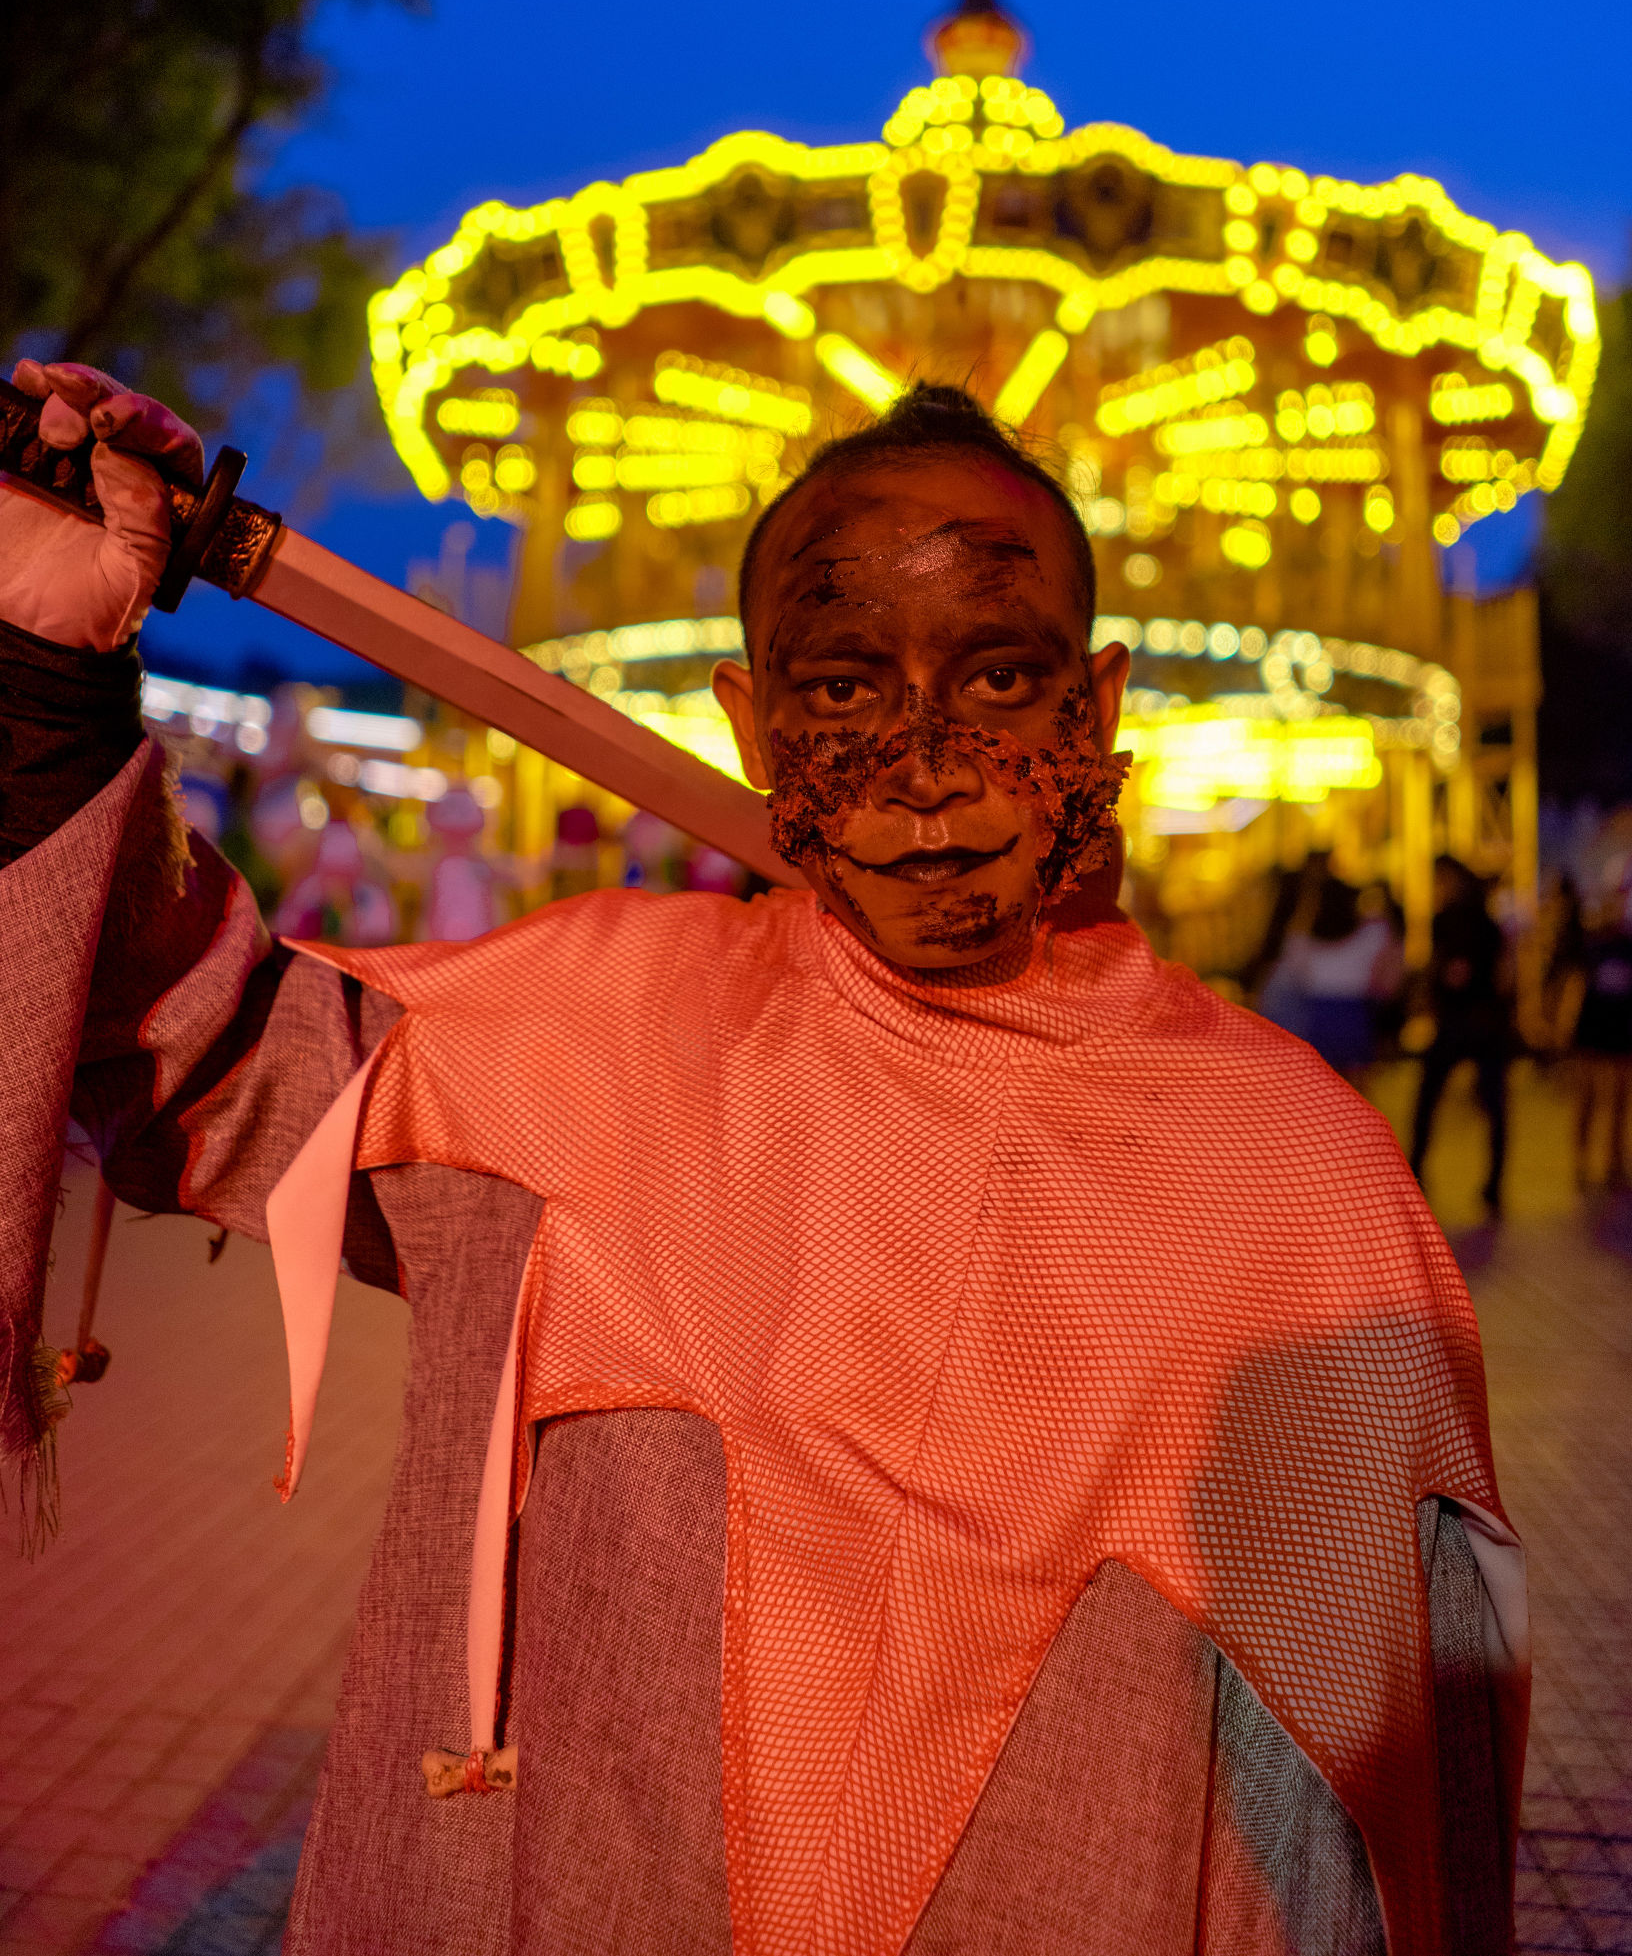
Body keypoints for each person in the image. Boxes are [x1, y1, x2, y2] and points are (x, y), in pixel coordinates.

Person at [1, 358, 1527, 1956]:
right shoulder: (587, 1033)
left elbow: (1388, 1788)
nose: (930, 766)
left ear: (1101, 703)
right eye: (850, 689)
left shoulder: (1299, 1182)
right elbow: (216, 1054)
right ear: (750, 719)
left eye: (1001, 681)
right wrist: (51, 689)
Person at [1410, 857, 1513, 1215]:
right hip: (1487, 1021)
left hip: (1458, 1021)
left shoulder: (1446, 920)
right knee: (1496, 1106)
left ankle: (1416, 1172)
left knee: (1427, 1101)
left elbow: (1444, 970)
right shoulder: (1490, 924)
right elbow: (1504, 974)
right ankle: (1494, 1184)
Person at [1274, 877, 1401, 1083]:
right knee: (1356, 1092)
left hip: (1316, 1018)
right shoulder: (1371, 935)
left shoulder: (1302, 940)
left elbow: (1294, 970)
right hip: (1355, 1016)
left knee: (1320, 1090)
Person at [1560, 892, 1632, 1191]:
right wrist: (1566, 1027)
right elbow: (1575, 987)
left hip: (1622, 1031)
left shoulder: (1627, 947)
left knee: (1618, 1100)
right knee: (1588, 1098)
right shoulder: (1591, 947)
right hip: (1592, 1031)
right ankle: (1582, 1160)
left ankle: (1614, 1161)